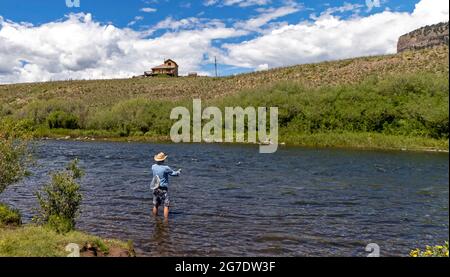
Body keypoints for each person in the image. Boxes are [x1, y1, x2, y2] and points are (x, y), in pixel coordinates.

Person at [151, 152, 181, 218]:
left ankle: (154, 218)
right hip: (163, 189)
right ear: (163, 160)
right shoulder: (166, 168)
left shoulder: (153, 167)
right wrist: (178, 172)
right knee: (166, 205)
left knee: (155, 204)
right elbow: (173, 174)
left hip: (155, 188)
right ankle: (165, 221)